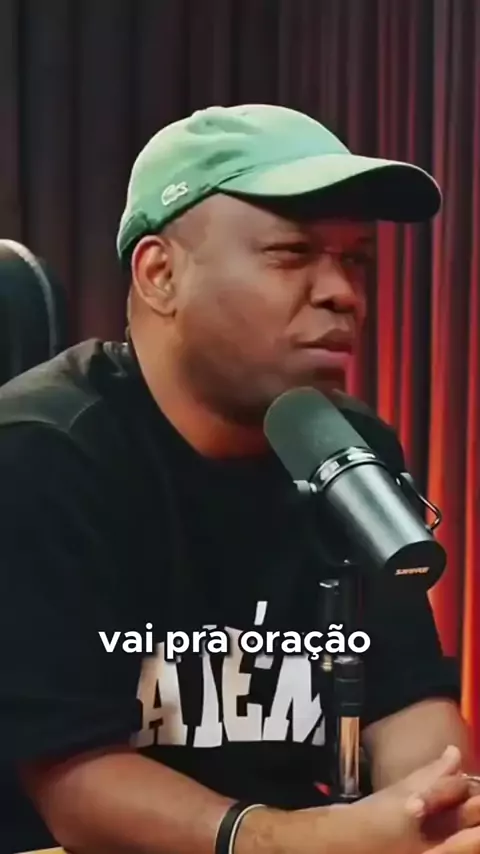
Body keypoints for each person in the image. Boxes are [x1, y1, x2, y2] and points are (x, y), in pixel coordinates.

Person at [0, 103, 479, 854]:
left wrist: (438, 811)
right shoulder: (40, 453)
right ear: (160, 274)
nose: (343, 293)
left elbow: (408, 700)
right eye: (292, 254)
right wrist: (308, 842)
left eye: (356, 260)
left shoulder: (350, 447)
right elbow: (76, 783)